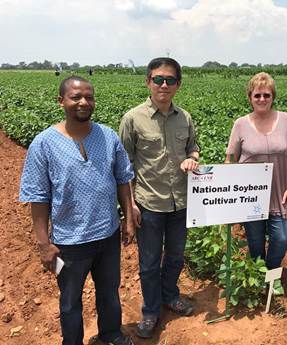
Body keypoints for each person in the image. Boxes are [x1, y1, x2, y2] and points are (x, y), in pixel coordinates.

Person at [19, 76, 135, 345]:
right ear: (61, 101)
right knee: (70, 301)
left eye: (89, 97)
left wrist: (128, 219)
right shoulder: (43, 143)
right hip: (68, 242)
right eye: (75, 97)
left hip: (107, 234)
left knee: (109, 292)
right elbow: (38, 198)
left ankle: (111, 333)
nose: (83, 102)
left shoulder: (108, 136)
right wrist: (43, 244)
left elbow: (123, 179)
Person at [119, 57, 199, 339]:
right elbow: (124, 166)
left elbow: (194, 148)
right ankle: (151, 309)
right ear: (148, 82)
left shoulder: (185, 117)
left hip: (181, 202)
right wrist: (130, 207)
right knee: (150, 262)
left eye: (170, 80)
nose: (164, 85)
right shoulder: (132, 118)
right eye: (158, 79)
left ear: (178, 84)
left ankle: (170, 296)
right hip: (149, 204)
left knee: (176, 256)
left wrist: (192, 159)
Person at [225, 72, 287, 296]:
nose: (261, 99)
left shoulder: (285, 120)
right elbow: (230, 158)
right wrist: (229, 192)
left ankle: (273, 272)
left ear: (273, 96)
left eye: (266, 95)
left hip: (280, 191)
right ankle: (259, 275)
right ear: (250, 97)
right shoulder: (240, 124)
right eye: (257, 95)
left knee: (280, 237)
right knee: (255, 240)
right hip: (251, 196)